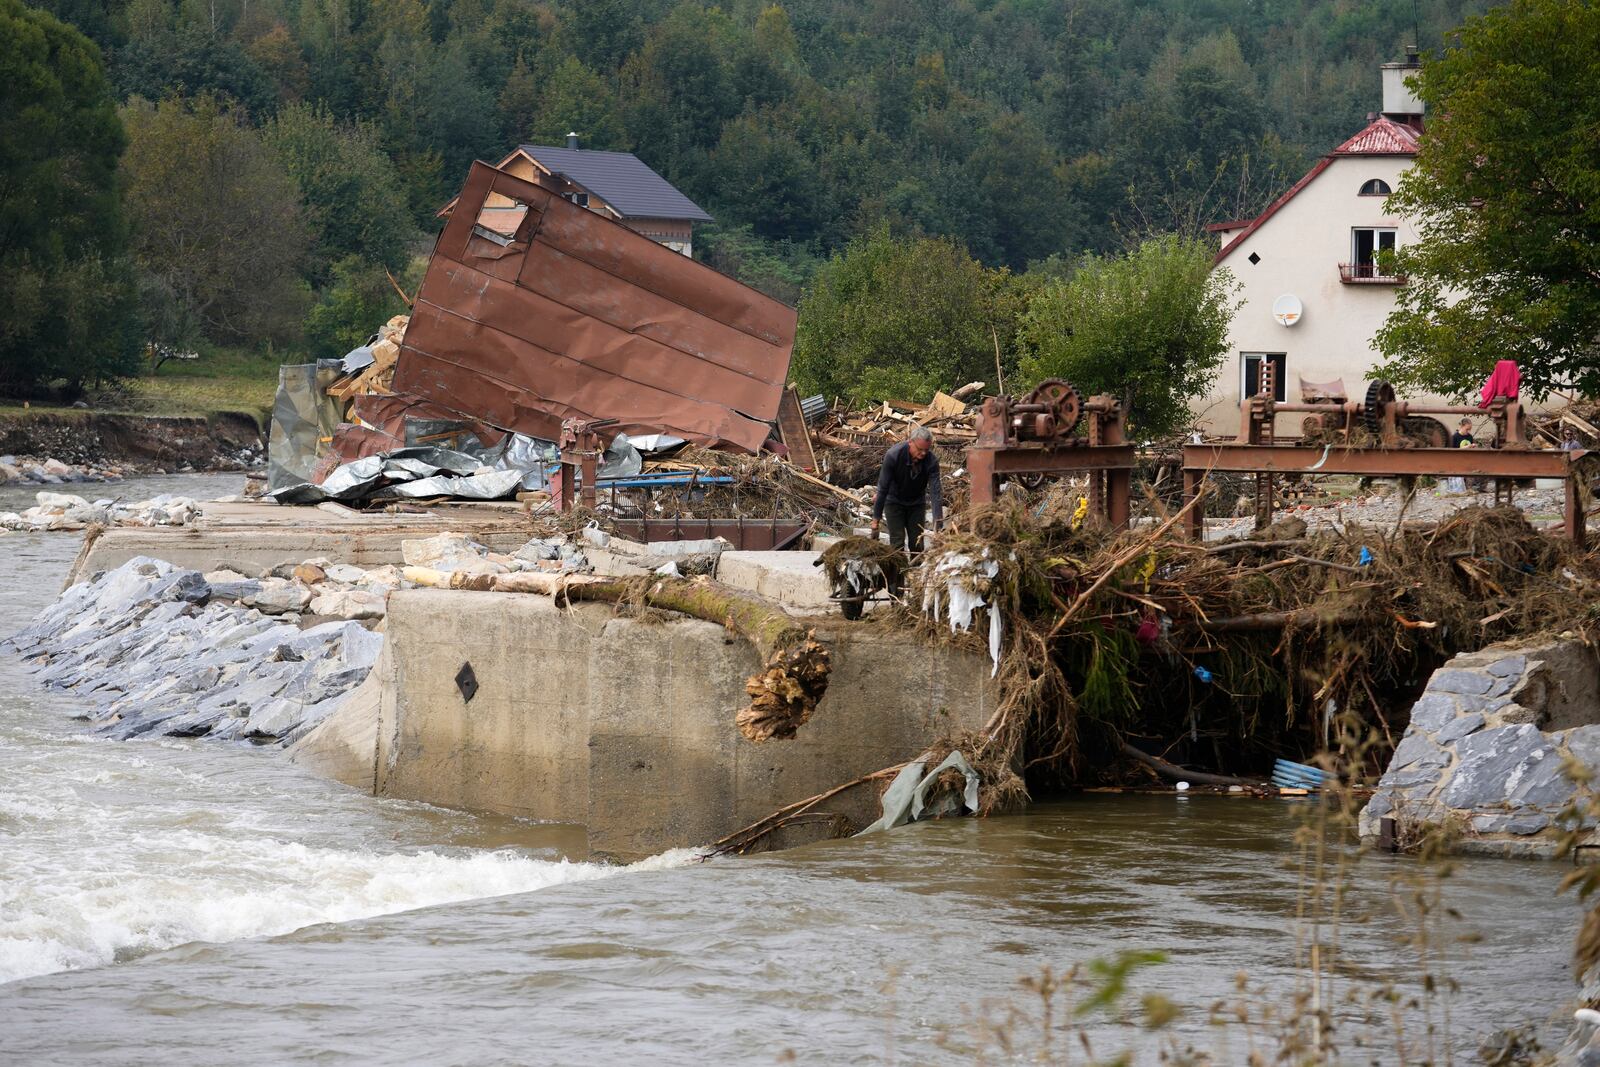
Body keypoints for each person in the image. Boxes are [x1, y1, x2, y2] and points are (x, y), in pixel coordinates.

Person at [870, 426, 943, 555]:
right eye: (920, 449)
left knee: (917, 544)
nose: (923, 453)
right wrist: (876, 521)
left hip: (916, 503)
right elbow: (883, 488)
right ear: (910, 442)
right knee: (897, 543)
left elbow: (935, 492)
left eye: (926, 450)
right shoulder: (893, 456)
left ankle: (916, 572)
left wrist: (938, 525)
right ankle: (898, 573)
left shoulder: (931, 461)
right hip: (893, 501)